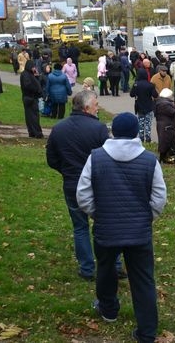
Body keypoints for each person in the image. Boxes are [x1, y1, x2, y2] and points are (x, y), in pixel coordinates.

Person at [76, 112, 167, 343]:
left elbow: (83, 195)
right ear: (136, 132)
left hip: (107, 229)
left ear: (113, 131)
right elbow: (159, 198)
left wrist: (99, 214)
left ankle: (108, 309)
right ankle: (147, 332)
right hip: (139, 232)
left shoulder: (95, 157)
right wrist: (146, 218)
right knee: (143, 280)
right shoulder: (149, 160)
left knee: (106, 270)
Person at [46, 90, 111, 281]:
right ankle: (112, 264)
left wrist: (67, 171)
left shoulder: (59, 129)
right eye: (96, 105)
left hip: (72, 183)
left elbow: (52, 159)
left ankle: (87, 268)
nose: (98, 108)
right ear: (87, 107)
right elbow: (108, 157)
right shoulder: (98, 129)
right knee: (104, 224)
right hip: (96, 183)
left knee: (80, 226)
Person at [154, 88, 175, 164]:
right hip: (167, 126)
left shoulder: (160, 102)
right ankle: (168, 159)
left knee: (164, 142)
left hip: (164, 125)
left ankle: (164, 158)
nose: (173, 97)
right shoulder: (165, 104)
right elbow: (173, 112)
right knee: (168, 142)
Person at [130, 68, 158, 144]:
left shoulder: (136, 84)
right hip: (149, 105)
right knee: (148, 123)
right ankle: (148, 138)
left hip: (139, 105)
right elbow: (155, 95)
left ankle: (141, 138)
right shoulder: (150, 85)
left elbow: (131, 94)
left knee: (140, 122)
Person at [19, 60, 44, 138]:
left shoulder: (30, 74)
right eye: (33, 67)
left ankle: (33, 132)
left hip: (31, 97)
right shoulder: (26, 74)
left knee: (31, 116)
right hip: (30, 97)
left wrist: (36, 76)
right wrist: (36, 90)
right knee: (33, 116)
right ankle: (37, 132)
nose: (34, 68)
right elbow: (28, 86)